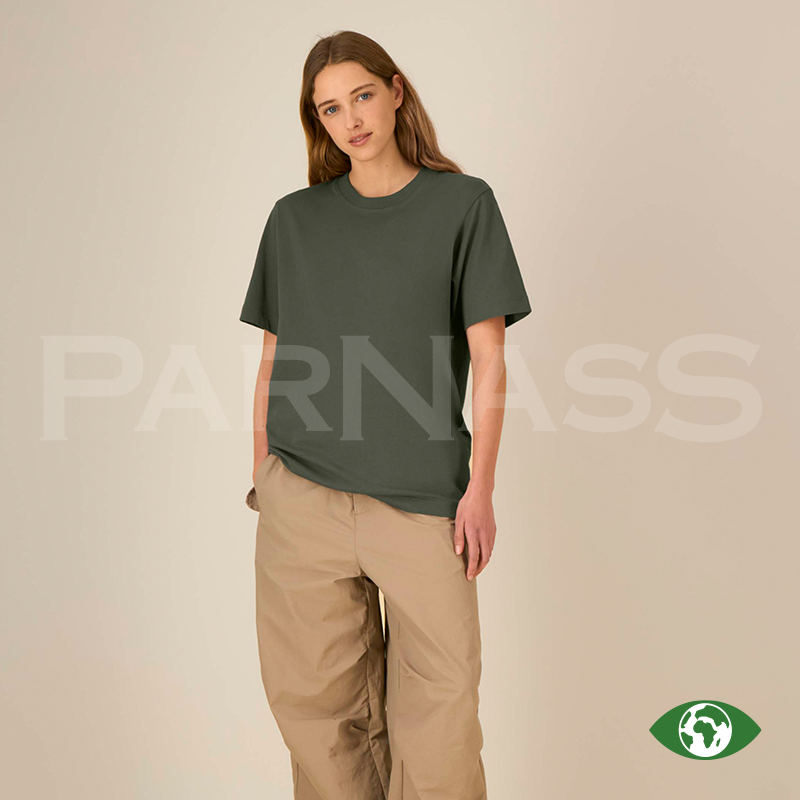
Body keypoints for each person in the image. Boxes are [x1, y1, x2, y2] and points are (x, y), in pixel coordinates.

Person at [240, 30, 531, 800]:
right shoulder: (294, 220)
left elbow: (491, 360)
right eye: (329, 108)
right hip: (303, 497)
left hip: (422, 502)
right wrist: (264, 477)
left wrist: (479, 490)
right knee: (318, 715)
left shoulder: (463, 205)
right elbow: (273, 358)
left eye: (362, 96)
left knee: (442, 715)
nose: (351, 120)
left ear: (396, 91)